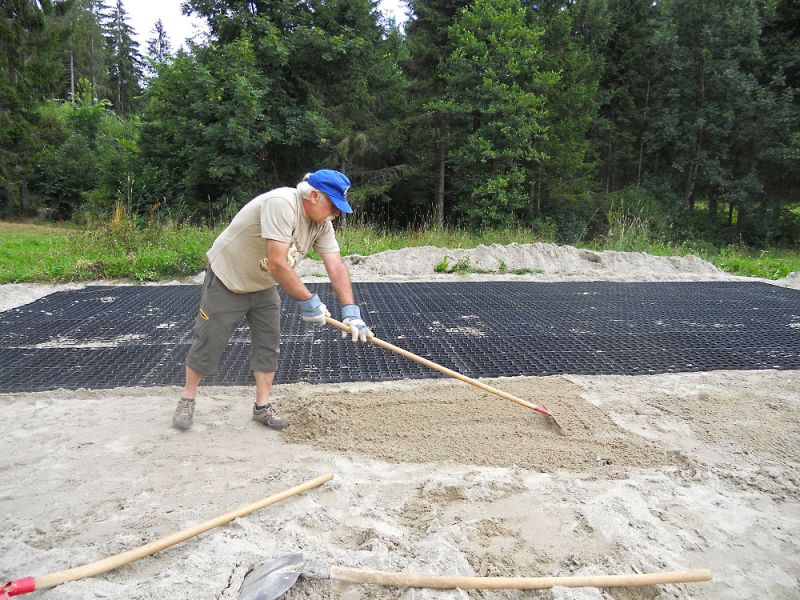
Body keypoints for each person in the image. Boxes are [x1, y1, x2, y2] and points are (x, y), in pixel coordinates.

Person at [172, 169, 372, 431]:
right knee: (210, 340)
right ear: (314, 195)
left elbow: (335, 265)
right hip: (228, 277)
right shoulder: (282, 204)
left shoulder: (322, 224)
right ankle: (187, 399)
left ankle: (262, 407)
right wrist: (308, 301)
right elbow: (278, 262)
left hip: (263, 283)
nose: (335, 214)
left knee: (268, 344)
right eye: (333, 207)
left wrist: (351, 311)